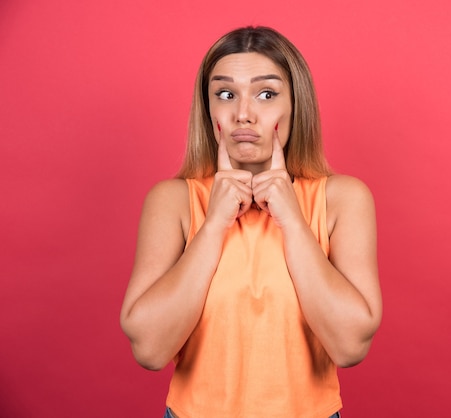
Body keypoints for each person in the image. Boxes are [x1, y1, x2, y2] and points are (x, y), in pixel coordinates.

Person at [120, 26, 382, 418]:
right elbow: (149, 349)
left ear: (296, 105)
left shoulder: (342, 199)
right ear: (208, 109)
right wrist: (213, 226)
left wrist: (292, 220)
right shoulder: (172, 201)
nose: (243, 113)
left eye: (266, 94)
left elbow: (350, 346)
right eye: (225, 94)